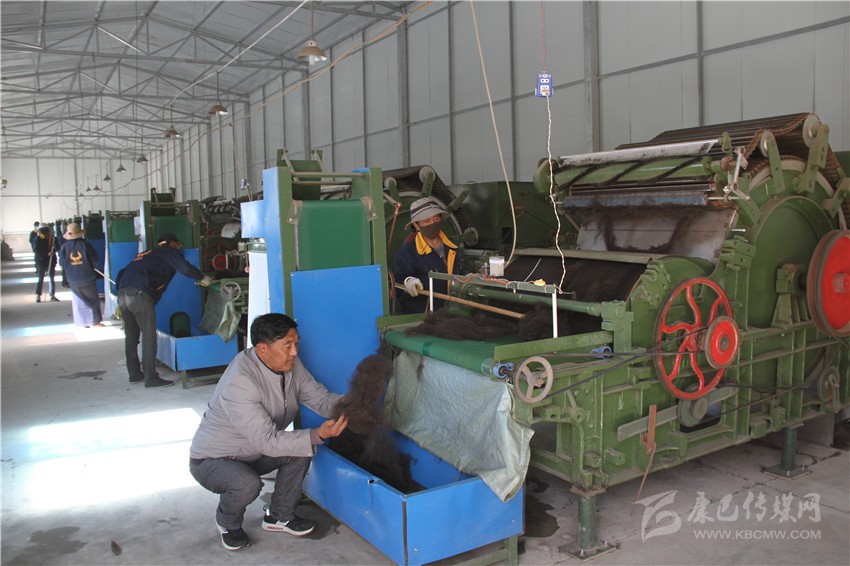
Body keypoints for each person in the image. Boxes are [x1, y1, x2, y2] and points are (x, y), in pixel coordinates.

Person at [189, 313, 348, 551]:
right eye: (287, 345)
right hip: (214, 460)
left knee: (301, 449)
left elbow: (320, 400)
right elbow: (268, 441)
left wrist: (352, 404)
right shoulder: (240, 382)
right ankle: (227, 522)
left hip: (254, 451)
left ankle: (279, 516)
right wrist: (319, 434)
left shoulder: (291, 365)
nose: (295, 352)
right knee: (247, 484)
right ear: (263, 349)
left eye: (296, 343)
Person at [115, 232, 213, 388]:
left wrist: (123, 292)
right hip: (140, 295)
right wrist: (201, 277)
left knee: (131, 336)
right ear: (172, 243)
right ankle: (151, 378)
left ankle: (134, 374)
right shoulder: (168, 251)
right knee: (149, 337)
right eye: (177, 245)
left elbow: (121, 273)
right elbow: (184, 268)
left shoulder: (145, 254)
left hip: (123, 294)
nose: (178, 248)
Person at [393, 197, 459, 314]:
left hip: (454, 312)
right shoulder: (407, 253)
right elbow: (398, 283)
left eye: (436, 219)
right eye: (427, 221)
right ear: (417, 225)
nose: (432, 224)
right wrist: (408, 282)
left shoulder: (453, 248)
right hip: (423, 316)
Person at [59, 223, 103, 325]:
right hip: (87, 277)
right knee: (92, 299)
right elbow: (95, 260)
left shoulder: (64, 247)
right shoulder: (85, 245)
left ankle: (82, 322)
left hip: (72, 278)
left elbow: (62, 263)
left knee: (79, 300)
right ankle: (95, 322)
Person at [33, 225, 59, 303]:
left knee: (51, 277)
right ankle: (38, 295)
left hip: (51, 261)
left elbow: (58, 247)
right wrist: (47, 253)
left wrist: (55, 248)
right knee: (41, 278)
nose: (48, 235)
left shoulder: (53, 239)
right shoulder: (37, 239)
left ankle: (52, 295)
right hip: (41, 261)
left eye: (49, 233)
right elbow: (36, 250)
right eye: (47, 234)